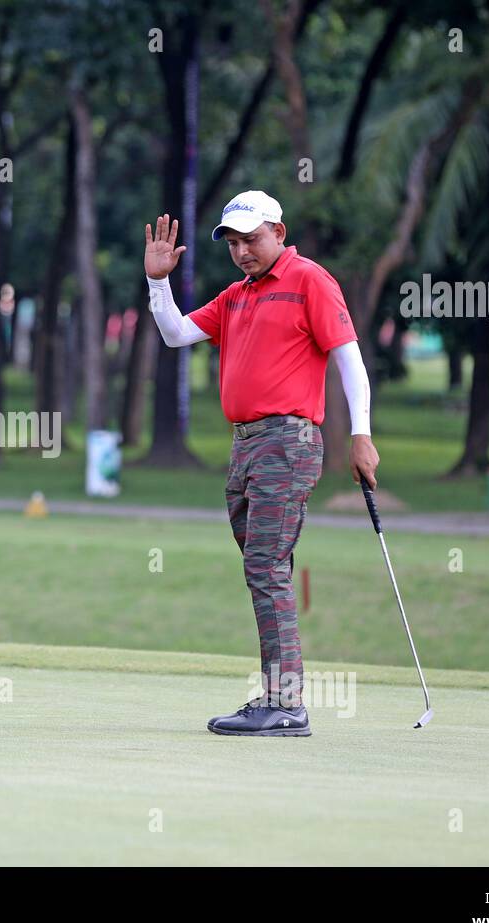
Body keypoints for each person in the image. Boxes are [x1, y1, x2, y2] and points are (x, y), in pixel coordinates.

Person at [144, 190, 379, 736]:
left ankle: (286, 704)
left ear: (279, 230)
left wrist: (362, 434)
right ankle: (281, 697)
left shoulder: (310, 281)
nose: (243, 251)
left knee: (266, 567)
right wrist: (159, 282)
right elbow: (177, 334)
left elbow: (350, 358)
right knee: (265, 569)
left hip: (288, 441)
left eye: (252, 239)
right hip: (246, 443)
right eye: (233, 243)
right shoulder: (235, 296)